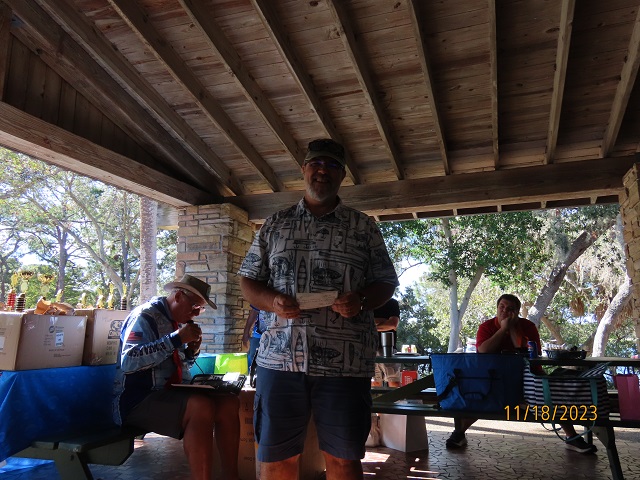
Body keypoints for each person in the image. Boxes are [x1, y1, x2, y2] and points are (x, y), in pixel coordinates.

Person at [238, 138, 399, 480]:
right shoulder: (275, 224)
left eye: (332, 165)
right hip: (279, 360)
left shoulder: (363, 227)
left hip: (345, 364)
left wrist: (361, 300)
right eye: (316, 163)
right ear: (304, 169)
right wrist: (272, 302)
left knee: (343, 460)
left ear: (343, 175)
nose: (323, 171)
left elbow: (386, 282)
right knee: (276, 461)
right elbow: (248, 280)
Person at [113, 274, 241, 480]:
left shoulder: (175, 322)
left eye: (201, 309)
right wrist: (175, 339)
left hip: (169, 395)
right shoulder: (144, 317)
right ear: (179, 296)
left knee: (228, 402)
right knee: (200, 406)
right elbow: (128, 361)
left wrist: (190, 352)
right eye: (195, 306)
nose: (196, 313)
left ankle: (231, 476)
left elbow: (176, 366)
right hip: (137, 400)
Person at [445, 293, 597, 454]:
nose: (505, 311)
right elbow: (483, 351)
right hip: (496, 378)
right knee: (482, 396)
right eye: (502, 307)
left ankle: (571, 437)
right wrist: (502, 329)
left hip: (529, 376)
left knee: (551, 395)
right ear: (497, 308)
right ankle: (459, 433)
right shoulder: (486, 327)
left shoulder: (528, 326)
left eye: (510, 309)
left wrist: (510, 328)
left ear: (517, 312)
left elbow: (527, 351)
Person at [373, 297, 402, 387]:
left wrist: (370, 326)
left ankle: (398, 398)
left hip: (389, 349)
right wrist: (384, 322)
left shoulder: (392, 303)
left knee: (394, 382)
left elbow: (393, 324)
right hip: (368, 348)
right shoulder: (366, 304)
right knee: (374, 383)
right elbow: (360, 323)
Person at [242, 304, 266, 369]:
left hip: (277, 334)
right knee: (253, 357)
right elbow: (254, 312)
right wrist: (246, 332)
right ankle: (252, 374)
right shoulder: (260, 298)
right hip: (258, 334)